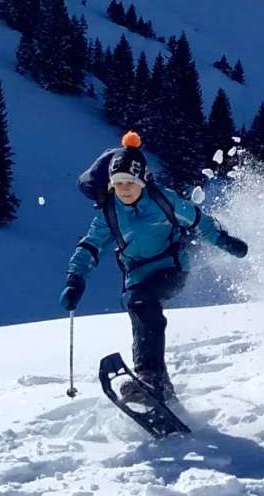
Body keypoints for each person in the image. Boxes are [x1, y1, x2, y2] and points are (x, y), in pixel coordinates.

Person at [61, 135, 249, 404]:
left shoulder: (163, 200)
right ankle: (155, 383)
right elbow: (90, 245)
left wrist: (224, 241)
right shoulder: (109, 212)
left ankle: (152, 379)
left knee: (142, 302)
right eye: (118, 183)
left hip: (172, 267)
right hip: (137, 276)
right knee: (138, 306)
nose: (124, 189)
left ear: (142, 181)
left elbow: (198, 219)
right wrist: (75, 278)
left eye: (130, 183)